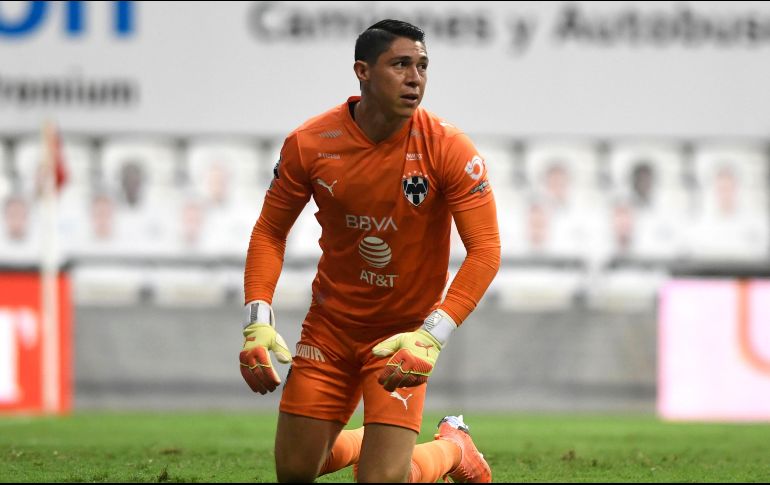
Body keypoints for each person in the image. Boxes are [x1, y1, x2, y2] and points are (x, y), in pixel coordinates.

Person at [239, 19, 500, 483]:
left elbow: (485, 250)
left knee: (380, 482)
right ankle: (381, 444)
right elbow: (269, 232)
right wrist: (257, 320)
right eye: (400, 64)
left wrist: (431, 336)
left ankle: (452, 448)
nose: (415, 77)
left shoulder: (448, 148)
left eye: (422, 66)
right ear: (362, 70)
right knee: (297, 471)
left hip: (403, 337)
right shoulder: (311, 143)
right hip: (331, 329)